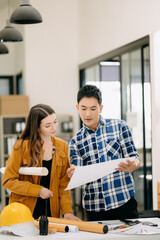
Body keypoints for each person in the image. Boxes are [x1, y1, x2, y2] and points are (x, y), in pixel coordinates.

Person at [67, 85, 140, 221]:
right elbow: (77, 169)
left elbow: (134, 157)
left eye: (93, 109)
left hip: (123, 200)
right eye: (83, 109)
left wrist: (134, 165)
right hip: (94, 207)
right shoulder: (76, 141)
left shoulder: (119, 126)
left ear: (100, 108)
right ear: (77, 108)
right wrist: (74, 172)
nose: (88, 114)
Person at [2, 104, 80, 221]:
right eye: (48, 125)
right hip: (24, 211)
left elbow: (64, 185)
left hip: (50, 212)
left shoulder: (62, 146)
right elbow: (8, 181)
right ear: (37, 127)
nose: (54, 128)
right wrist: (38, 190)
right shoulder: (21, 146)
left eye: (55, 122)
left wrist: (67, 211)